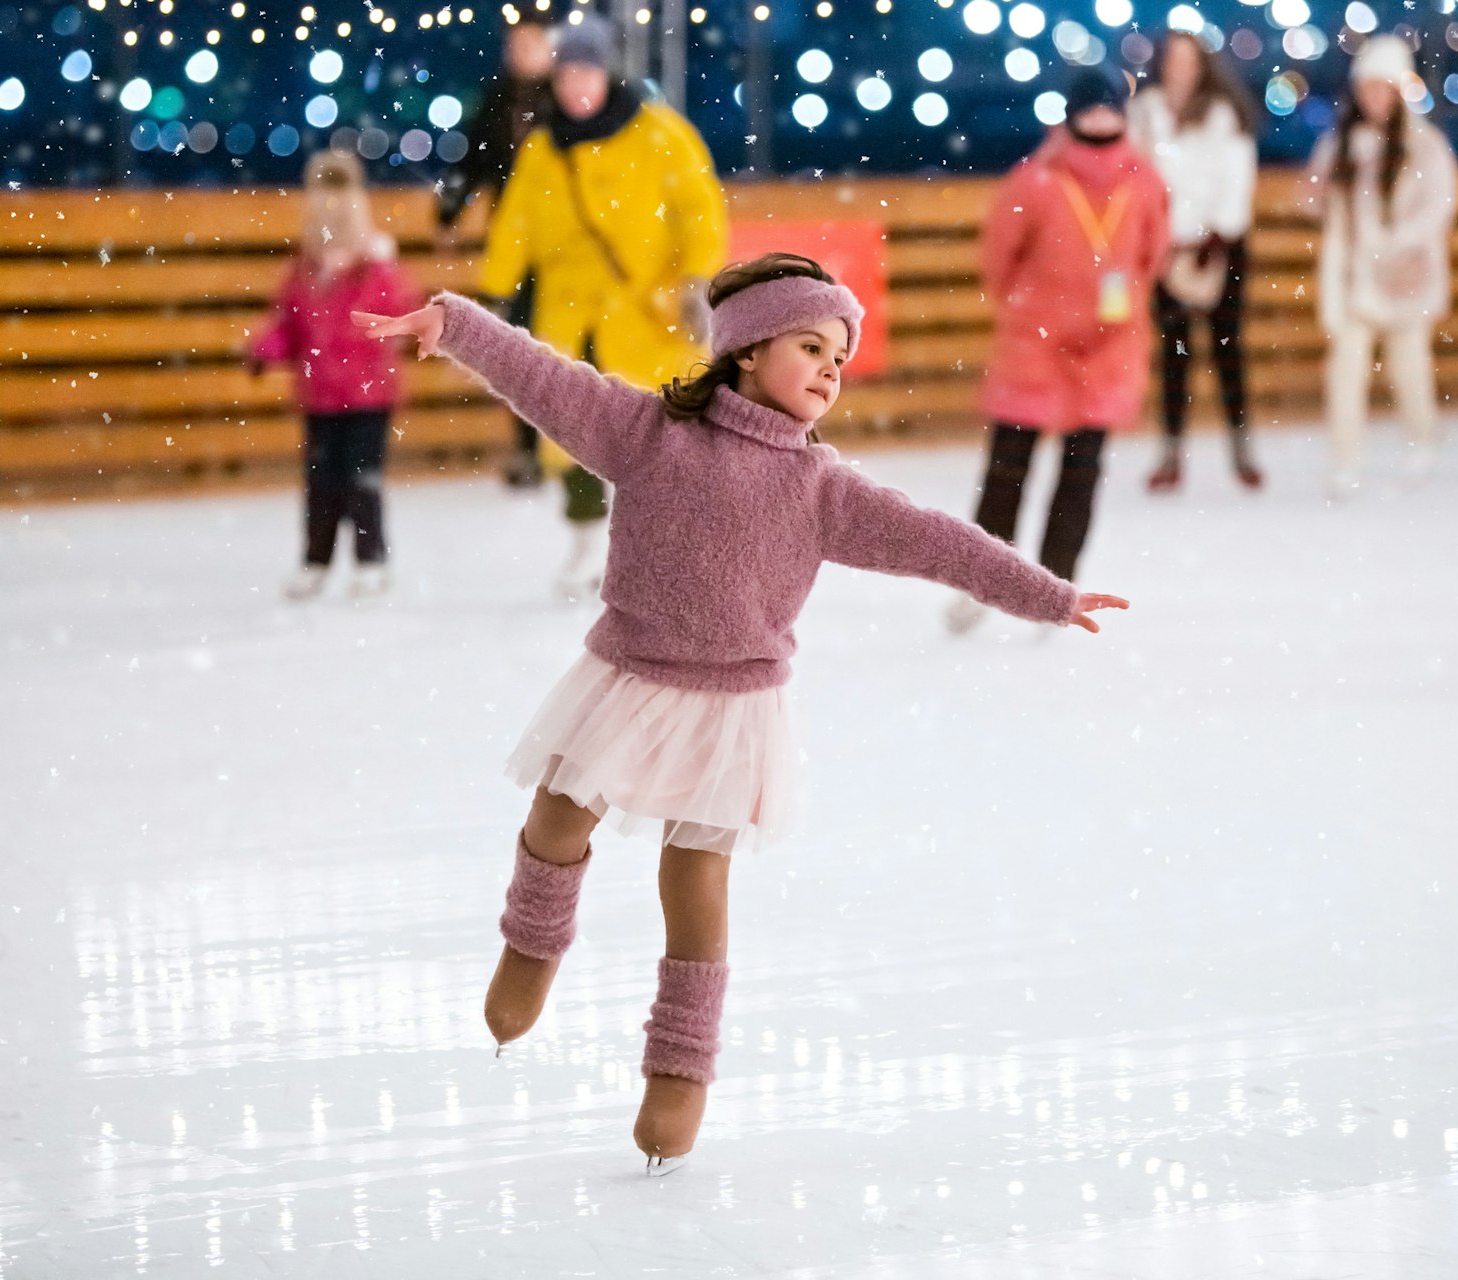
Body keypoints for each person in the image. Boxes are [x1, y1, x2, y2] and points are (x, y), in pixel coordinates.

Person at [354, 253, 1129, 1173]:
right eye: (813, 345)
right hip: (631, 675)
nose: (832, 370)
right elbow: (549, 382)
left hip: (734, 707)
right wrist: (457, 326)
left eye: (840, 357)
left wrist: (1044, 594)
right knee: (557, 815)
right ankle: (531, 949)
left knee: (696, 884)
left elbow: (937, 543)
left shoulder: (823, 491)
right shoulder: (648, 432)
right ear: (750, 350)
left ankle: (679, 1071)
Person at [474, 13, 728, 600]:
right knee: (573, 428)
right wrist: (496, 287)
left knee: (660, 430)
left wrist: (696, 281)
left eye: (586, 72)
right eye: (566, 75)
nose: (575, 86)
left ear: (608, 72)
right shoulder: (542, 148)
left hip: (648, 309)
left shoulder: (661, 133)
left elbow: (699, 207)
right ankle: (589, 544)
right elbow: (516, 223)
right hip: (569, 310)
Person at [950, 65, 1169, 635]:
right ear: (1072, 114)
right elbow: (999, 257)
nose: (1101, 117)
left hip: (1109, 348)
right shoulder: (1036, 180)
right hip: (1037, 344)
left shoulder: (1143, 181)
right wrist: (1034, 309)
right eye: (1090, 107)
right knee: (1007, 467)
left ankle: (1056, 589)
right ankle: (982, 585)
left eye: (1110, 107)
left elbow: (1153, 253)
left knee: (1082, 471)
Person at [251, 150, 421, 599]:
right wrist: (263, 350)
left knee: (362, 481)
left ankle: (371, 559)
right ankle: (316, 560)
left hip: (368, 397)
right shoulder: (303, 275)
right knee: (321, 483)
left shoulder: (377, 273)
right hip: (321, 397)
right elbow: (289, 326)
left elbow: (396, 315)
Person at [1302, 35, 1458, 497]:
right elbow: (1317, 200)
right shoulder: (1341, 146)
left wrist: (1401, 246)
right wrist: (1315, 193)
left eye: (1382, 88)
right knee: (1346, 371)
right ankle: (1345, 459)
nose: (1373, 99)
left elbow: (1438, 207)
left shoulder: (1423, 145)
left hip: (1405, 276)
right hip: (1355, 280)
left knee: (1409, 365)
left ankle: (1422, 439)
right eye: (1367, 89)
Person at [1130, 31, 1263, 493]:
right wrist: (1155, 241)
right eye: (1172, 59)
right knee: (1175, 353)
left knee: (1227, 350)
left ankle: (1242, 449)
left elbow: (1236, 178)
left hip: (1219, 248)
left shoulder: (1222, 113)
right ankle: (1170, 452)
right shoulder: (1145, 113)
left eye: (1188, 60)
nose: (1179, 69)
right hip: (1167, 253)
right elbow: (1135, 178)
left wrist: (1216, 238)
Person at [434, 12, 555, 489]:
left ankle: (565, 453)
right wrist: (450, 208)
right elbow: (471, 159)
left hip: (564, 249)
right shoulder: (497, 99)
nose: (522, 52)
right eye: (516, 44)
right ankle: (529, 449)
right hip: (514, 246)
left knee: (566, 349)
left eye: (532, 43)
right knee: (522, 348)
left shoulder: (567, 101)